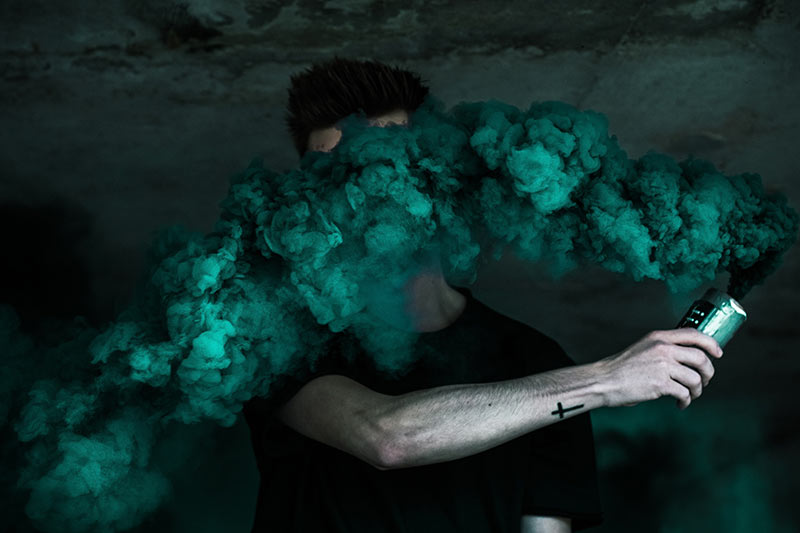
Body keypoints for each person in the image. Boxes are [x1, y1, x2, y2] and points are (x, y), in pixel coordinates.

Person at [242, 57, 723, 533]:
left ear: (437, 175)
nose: (360, 195)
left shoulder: (535, 362)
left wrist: (590, 386)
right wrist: (604, 382)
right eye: (332, 177)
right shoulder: (280, 342)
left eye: (381, 163)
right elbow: (387, 438)